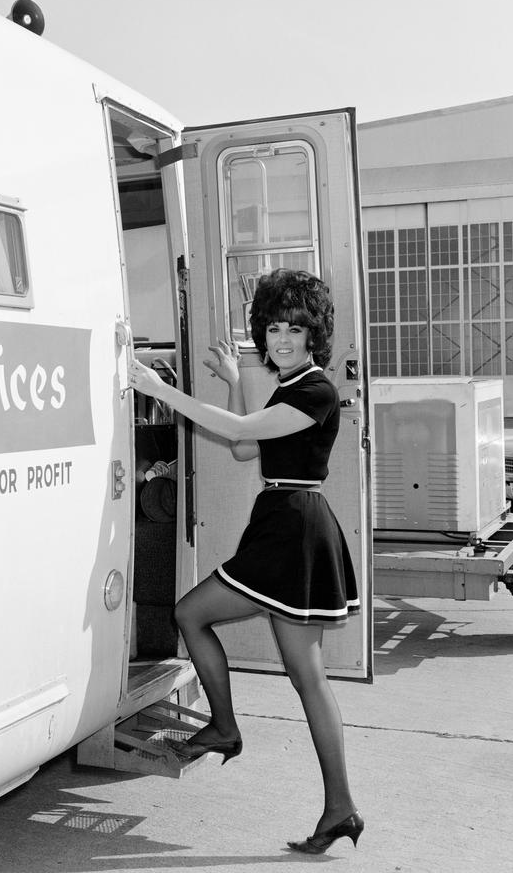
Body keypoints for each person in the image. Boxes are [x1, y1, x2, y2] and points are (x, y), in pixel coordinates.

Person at [127, 268, 364, 855]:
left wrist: (154, 387)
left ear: (315, 336)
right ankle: (340, 808)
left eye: (295, 329)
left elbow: (235, 430)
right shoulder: (290, 387)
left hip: (294, 528)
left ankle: (228, 729)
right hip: (284, 522)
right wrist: (234, 379)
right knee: (304, 676)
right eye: (274, 327)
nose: (282, 338)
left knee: (192, 614)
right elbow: (242, 445)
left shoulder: (316, 390)